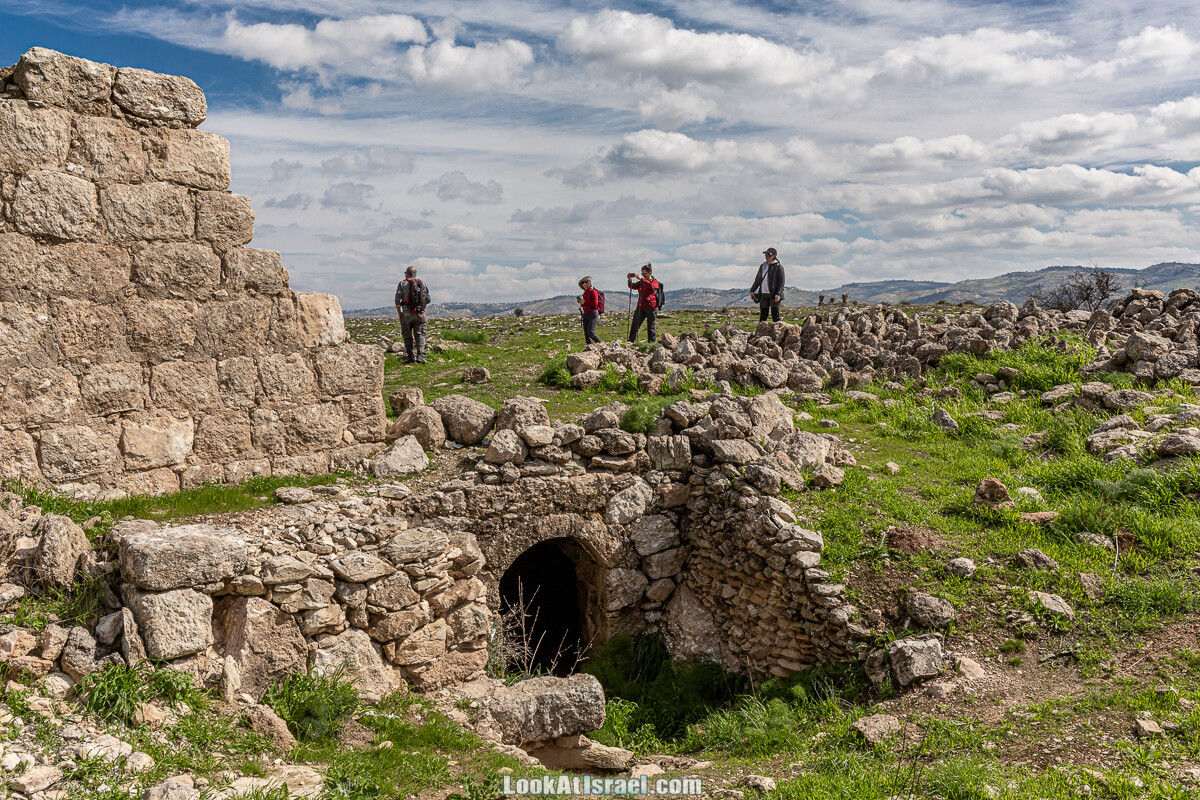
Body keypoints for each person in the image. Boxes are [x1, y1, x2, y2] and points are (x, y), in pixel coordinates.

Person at [394, 265, 430, 364]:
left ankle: (411, 358)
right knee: (421, 334)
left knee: (407, 335)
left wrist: (399, 313)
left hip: (407, 313)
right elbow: (428, 299)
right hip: (421, 313)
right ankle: (421, 356)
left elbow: (397, 299)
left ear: (407, 274)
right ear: (415, 274)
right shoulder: (422, 283)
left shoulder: (402, 283)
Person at [750, 247, 785, 322]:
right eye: (766, 254)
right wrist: (752, 290)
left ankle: (778, 332)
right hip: (763, 294)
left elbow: (781, 282)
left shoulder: (778, 267)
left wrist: (778, 294)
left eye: (769, 254)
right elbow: (757, 280)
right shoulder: (762, 266)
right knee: (763, 316)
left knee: (775, 315)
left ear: (774, 255)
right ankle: (761, 333)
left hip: (774, 295)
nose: (767, 256)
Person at [627, 263, 660, 343]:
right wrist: (629, 279)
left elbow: (652, 287)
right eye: (642, 274)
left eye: (645, 273)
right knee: (634, 325)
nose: (643, 275)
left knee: (650, 327)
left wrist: (642, 279)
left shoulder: (654, 281)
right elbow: (632, 286)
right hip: (640, 307)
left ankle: (651, 344)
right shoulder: (641, 282)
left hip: (651, 307)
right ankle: (630, 342)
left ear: (650, 273)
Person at [576, 276, 603, 345]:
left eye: (586, 282)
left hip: (593, 313)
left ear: (589, 283)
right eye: (583, 283)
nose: (584, 284)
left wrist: (584, 302)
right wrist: (581, 302)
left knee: (591, 332)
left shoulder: (593, 292)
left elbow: (595, 304)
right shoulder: (585, 293)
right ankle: (590, 348)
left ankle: (602, 344)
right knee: (586, 334)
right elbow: (586, 303)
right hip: (586, 314)